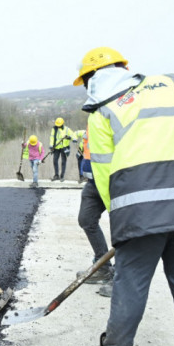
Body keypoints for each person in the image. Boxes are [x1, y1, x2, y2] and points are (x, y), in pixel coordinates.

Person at [73, 47, 174, 346]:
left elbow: (105, 179)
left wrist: (121, 224)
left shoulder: (102, 110)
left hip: (141, 209)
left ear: (91, 80)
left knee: (131, 281)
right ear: (124, 68)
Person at [75, 126, 113, 297]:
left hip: (114, 181)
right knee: (86, 220)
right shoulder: (93, 118)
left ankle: (123, 279)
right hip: (93, 183)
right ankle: (103, 267)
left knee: (124, 229)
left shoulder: (114, 113)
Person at [49, 117, 74, 181]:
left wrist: (69, 137)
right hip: (56, 147)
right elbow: (52, 137)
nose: (58, 126)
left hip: (64, 147)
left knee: (63, 162)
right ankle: (56, 175)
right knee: (55, 161)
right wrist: (51, 146)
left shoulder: (67, 129)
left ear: (62, 124)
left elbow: (73, 135)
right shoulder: (54, 129)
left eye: (59, 125)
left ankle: (62, 176)